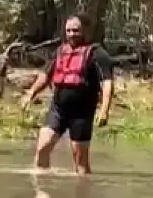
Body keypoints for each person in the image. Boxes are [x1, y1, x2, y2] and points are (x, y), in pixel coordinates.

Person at [20, 14, 114, 175]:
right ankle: (43, 194)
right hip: (58, 109)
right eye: (68, 31)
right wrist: (31, 93)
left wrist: (104, 110)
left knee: (81, 164)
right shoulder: (60, 51)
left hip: (82, 113)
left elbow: (107, 82)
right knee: (42, 148)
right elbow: (45, 75)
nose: (71, 34)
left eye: (76, 30)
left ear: (86, 31)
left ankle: (83, 195)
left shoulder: (97, 54)